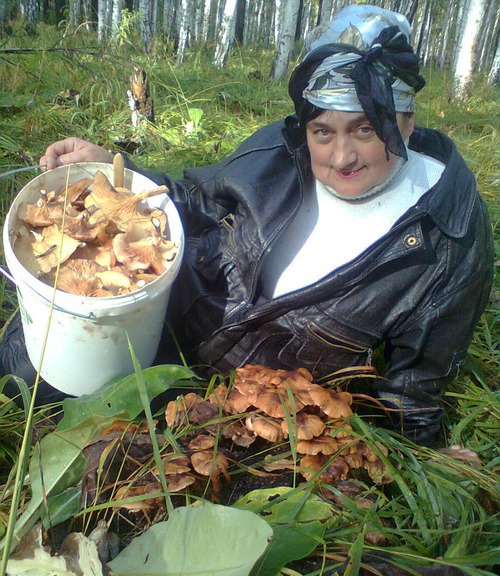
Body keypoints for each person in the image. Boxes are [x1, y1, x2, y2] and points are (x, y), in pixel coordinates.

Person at [0, 4, 493, 446]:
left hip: (243, 407)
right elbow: (197, 200)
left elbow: (412, 389)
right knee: (22, 377)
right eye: (323, 131)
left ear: (407, 120)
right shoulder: (281, 148)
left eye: (366, 128)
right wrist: (120, 172)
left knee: (119, 458)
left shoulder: (445, 236)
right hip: (161, 318)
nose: (342, 156)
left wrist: (420, 457)